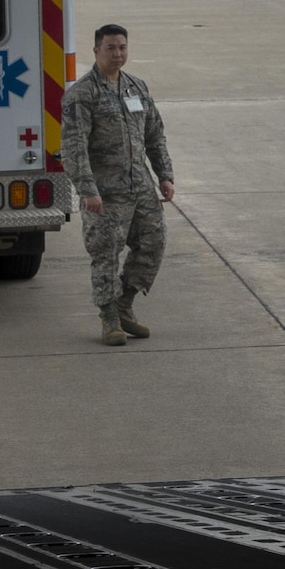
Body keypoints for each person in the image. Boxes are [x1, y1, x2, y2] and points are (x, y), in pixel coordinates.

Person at [59, 24, 176, 346]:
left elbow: (154, 134)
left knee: (153, 245)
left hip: (141, 187)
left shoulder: (136, 87)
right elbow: (73, 148)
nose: (118, 53)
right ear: (96, 51)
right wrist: (87, 190)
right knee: (106, 254)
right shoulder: (82, 95)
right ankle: (109, 318)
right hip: (105, 193)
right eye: (110, 48)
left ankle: (125, 304)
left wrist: (164, 175)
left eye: (122, 47)